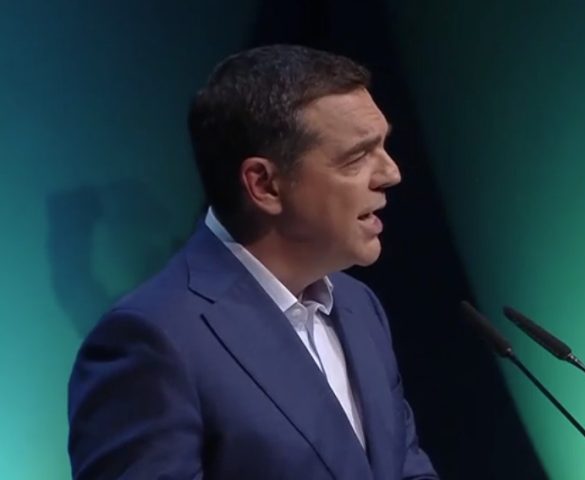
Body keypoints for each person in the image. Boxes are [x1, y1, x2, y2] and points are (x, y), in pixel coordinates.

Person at [68, 44, 438, 480]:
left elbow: (405, 467)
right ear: (264, 185)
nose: (391, 173)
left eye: (383, 147)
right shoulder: (151, 340)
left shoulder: (360, 307)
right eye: (357, 156)